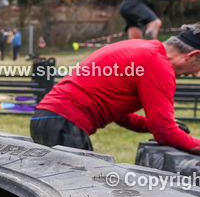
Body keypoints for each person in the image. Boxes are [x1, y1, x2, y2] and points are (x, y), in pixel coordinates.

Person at [30, 23, 200, 153]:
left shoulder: (142, 48)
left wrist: (157, 125)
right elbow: (164, 132)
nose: (195, 74)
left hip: (46, 117)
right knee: (79, 187)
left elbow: (120, 115)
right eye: (198, 67)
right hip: (65, 124)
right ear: (193, 55)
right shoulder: (158, 63)